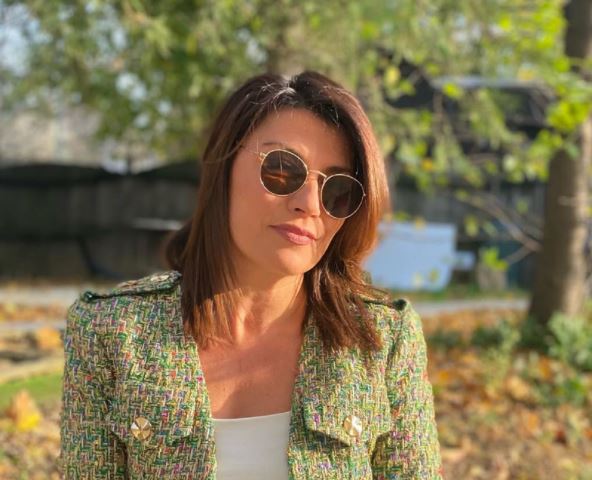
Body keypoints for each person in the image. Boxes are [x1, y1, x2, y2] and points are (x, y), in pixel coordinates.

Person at [59, 71, 443, 479]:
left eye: (337, 190)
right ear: (222, 167)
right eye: (282, 170)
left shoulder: (382, 340)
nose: (310, 204)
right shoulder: (111, 334)